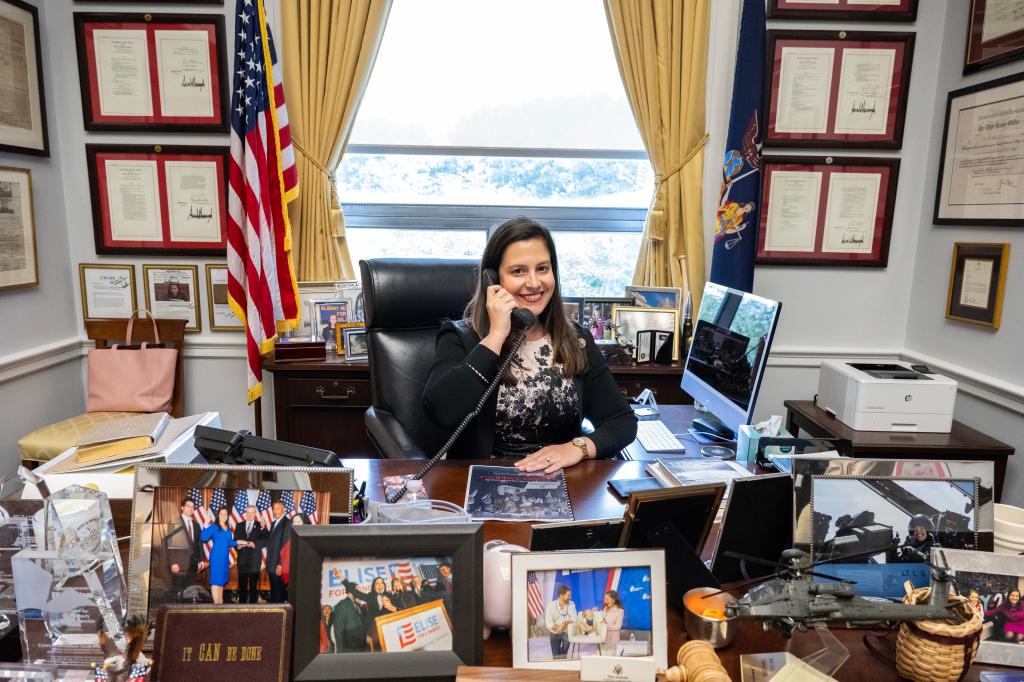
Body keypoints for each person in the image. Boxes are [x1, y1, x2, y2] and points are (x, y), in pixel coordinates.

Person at [423, 217, 637, 468]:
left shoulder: (575, 340)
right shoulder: (461, 337)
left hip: (560, 480)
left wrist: (577, 447)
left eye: (543, 269)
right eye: (518, 271)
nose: (534, 283)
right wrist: (495, 336)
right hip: (485, 479)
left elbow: (621, 421)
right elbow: (441, 413)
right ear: (492, 279)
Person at [164, 498, 207, 602]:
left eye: (192, 507)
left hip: (193, 565)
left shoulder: (196, 525)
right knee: (178, 593)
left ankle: (185, 615)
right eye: (188, 506)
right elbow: (169, 545)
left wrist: (201, 560)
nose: (191, 509)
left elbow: (199, 543)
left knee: (189, 592)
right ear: (182, 507)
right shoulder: (174, 522)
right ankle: (176, 616)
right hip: (179, 564)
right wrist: (173, 562)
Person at [201, 507, 240, 604]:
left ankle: (220, 603)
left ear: (228, 516)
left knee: (221, 581)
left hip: (224, 559)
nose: (224, 516)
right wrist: (206, 523)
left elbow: (229, 543)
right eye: (221, 514)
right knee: (215, 581)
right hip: (216, 558)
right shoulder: (214, 526)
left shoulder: (228, 529)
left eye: (225, 514)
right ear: (218, 515)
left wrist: (240, 543)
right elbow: (203, 537)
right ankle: (216, 604)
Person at [233, 505, 266, 604]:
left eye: (252, 512)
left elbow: (266, 540)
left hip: (254, 563)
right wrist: (239, 546)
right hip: (242, 562)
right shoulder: (239, 525)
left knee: (253, 589)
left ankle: (253, 610)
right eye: (248, 512)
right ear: (245, 513)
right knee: (242, 588)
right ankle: (241, 608)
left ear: (255, 514)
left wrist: (254, 544)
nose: (249, 514)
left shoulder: (260, 525)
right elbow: (234, 542)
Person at [265, 500, 291, 603]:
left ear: (283, 509)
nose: (275, 511)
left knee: (279, 592)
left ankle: (279, 616)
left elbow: (285, 545)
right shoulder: (273, 523)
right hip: (271, 564)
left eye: (278, 508)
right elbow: (271, 541)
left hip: (278, 565)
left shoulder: (287, 523)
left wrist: (280, 564)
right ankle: (274, 614)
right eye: (274, 509)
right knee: (274, 591)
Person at [329, 584, 368, 653]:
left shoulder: (356, 605)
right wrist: (341, 652)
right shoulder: (343, 603)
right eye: (357, 590)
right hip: (349, 650)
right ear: (350, 592)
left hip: (360, 647)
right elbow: (338, 629)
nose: (359, 592)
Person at [545, 584, 577, 660]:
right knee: (555, 657)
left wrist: (564, 624)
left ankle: (563, 657)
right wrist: (558, 627)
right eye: (568, 596)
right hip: (554, 632)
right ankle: (559, 659)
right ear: (561, 595)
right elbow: (549, 623)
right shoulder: (550, 606)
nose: (570, 598)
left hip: (566, 632)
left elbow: (575, 619)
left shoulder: (571, 604)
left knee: (564, 649)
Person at [279, 513, 309, 587]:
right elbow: (284, 553)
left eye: (298, 522)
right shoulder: (291, 537)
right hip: (292, 573)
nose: (295, 524)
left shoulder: (309, 538)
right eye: (294, 522)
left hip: (304, 574)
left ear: (304, 522)